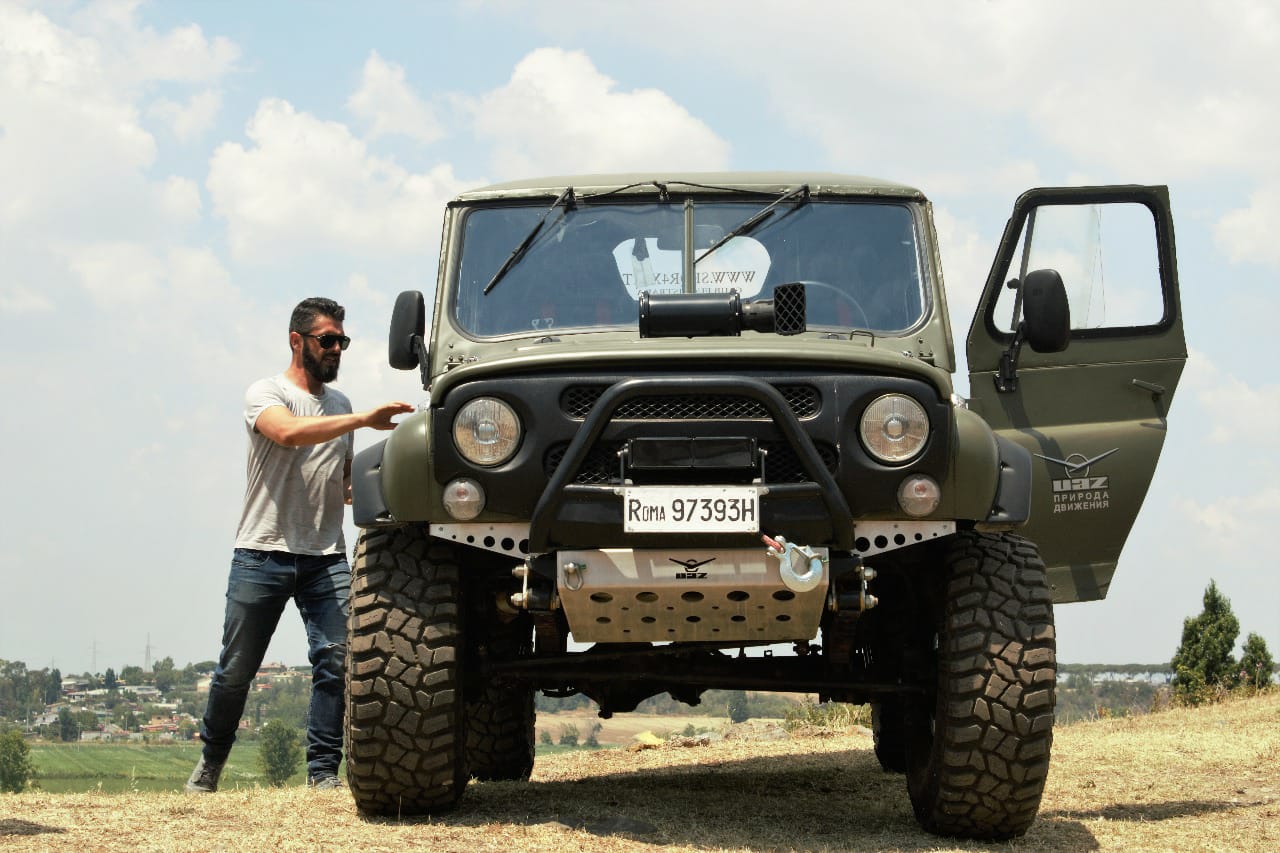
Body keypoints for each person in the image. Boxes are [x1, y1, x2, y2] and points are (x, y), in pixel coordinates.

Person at [186, 297, 413, 792]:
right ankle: (210, 764)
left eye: (342, 341)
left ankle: (322, 773)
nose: (336, 349)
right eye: (327, 340)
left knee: (337, 659)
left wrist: (395, 483)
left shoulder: (341, 406)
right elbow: (288, 434)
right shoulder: (266, 393)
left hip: (325, 558)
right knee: (236, 670)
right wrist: (363, 421)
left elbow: (342, 483)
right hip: (261, 553)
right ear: (297, 341)